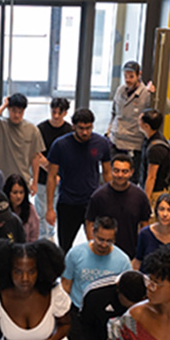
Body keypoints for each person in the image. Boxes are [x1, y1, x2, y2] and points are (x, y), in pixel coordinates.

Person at [45, 108, 112, 252]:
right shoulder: (60, 145)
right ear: (73, 126)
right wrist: (49, 208)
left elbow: (107, 172)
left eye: (88, 128)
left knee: (98, 245)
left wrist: (110, 199)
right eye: (81, 128)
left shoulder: (101, 143)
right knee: (64, 248)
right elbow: (51, 177)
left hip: (93, 202)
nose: (85, 132)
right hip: (68, 203)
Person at [85, 154, 152, 259]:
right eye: (116, 171)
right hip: (104, 252)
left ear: (131, 172)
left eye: (124, 171)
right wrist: (93, 247)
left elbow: (144, 225)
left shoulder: (140, 196)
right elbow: (89, 223)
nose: (120, 175)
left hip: (130, 254)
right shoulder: (98, 196)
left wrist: (140, 252)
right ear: (111, 171)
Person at [0, 93, 44, 192]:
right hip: (1, 178)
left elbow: (36, 157)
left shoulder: (32, 129)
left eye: (20, 112)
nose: (17, 115)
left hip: (23, 179)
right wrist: (4, 105)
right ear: (8, 109)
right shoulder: (2, 125)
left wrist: (34, 183)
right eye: (13, 111)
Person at [108, 61, 156, 180]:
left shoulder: (146, 93)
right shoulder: (120, 90)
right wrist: (109, 131)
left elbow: (166, 109)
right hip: (116, 141)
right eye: (125, 76)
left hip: (133, 144)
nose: (127, 80)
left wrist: (155, 94)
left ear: (139, 75)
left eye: (131, 76)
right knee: (113, 178)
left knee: (130, 179)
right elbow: (114, 112)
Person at [36, 97, 73, 242]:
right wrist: (52, 172)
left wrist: (59, 174)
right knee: (41, 210)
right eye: (53, 112)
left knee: (56, 210)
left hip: (62, 179)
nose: (56, 116)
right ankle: (43, 237)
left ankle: (50, 234)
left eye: (59, 113)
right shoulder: (41, 129)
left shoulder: (69, 130)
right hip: (43, 177)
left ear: (65, 113)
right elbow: (36, 153)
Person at [134, 193, 170, 267]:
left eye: (169, 210)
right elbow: (137, 261)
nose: (165, 214)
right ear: (156, 211)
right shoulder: (145, 234)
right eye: (161, 209)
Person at [139, 109, 170, 207]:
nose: (138, 122)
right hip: (151, 190)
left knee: (150, 220)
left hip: (154, 193)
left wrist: (146, 199)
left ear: (146, 126)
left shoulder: (156, 149)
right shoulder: (151, 139)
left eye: (140, 120)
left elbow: (151, 177)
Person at [4, 173, 39, 242]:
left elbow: (34, 235)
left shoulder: (30, 209)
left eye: (21, 192)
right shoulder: (3, 209)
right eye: (15, 192)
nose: (18, 196)